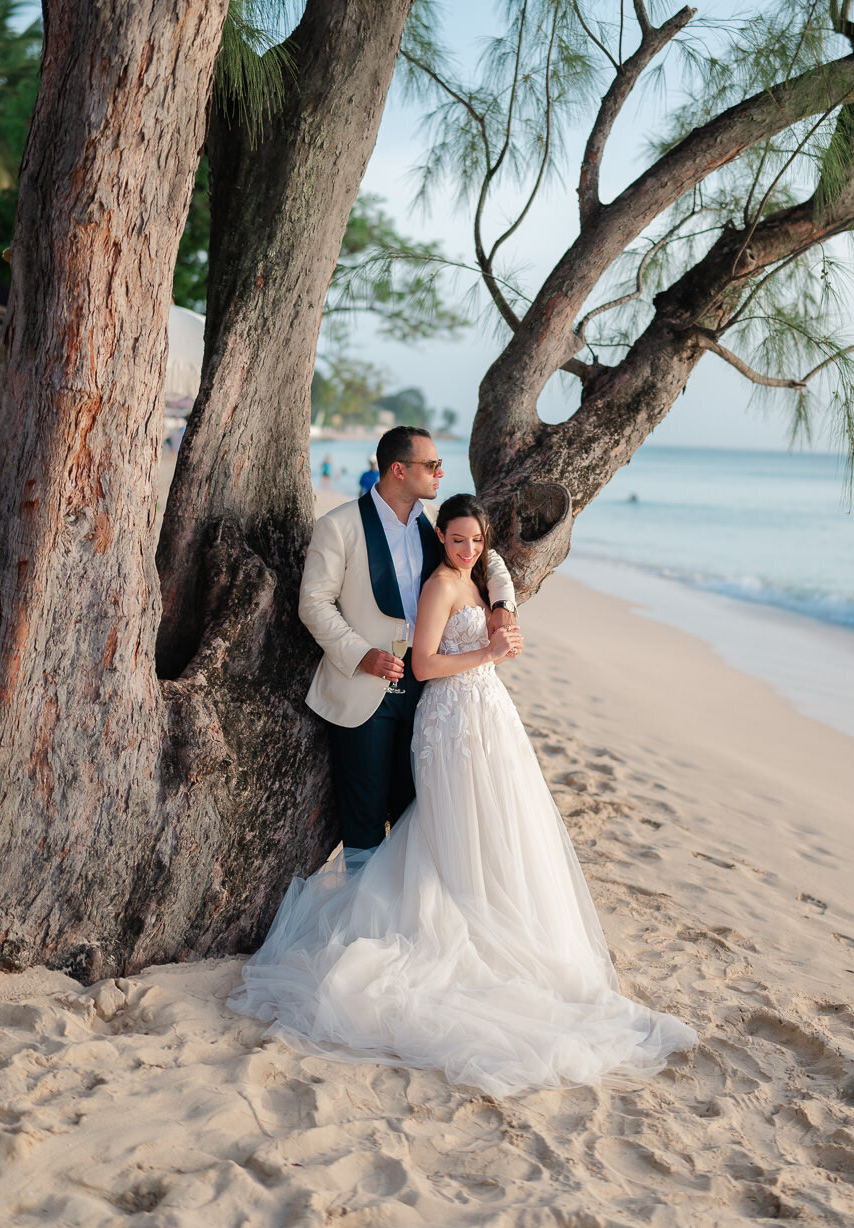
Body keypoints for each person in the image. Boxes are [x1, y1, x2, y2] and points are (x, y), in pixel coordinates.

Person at [229, 493, 696, 1096]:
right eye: (457, 540)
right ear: (440, 538)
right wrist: (488, 652)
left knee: (501, 823)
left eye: (475, 540)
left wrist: (503, 611)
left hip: (489, 716)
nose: (467, 548)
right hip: (450, 721)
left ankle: (507, 919)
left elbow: (496, 565)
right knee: (454, 827)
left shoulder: (479, 577)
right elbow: (423, 665)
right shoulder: (441, 588)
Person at [294, 426, 520, 852]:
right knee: (362, 818)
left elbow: (488, 557)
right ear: (399, 470)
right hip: (362, 687)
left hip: (426, 690)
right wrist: (361, 655)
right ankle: (359, 911)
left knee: (415, 816)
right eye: (431, 465)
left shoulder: (430, 529)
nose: (439, 472)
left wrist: (503, 604)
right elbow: (314, 604)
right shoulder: (339, 526)